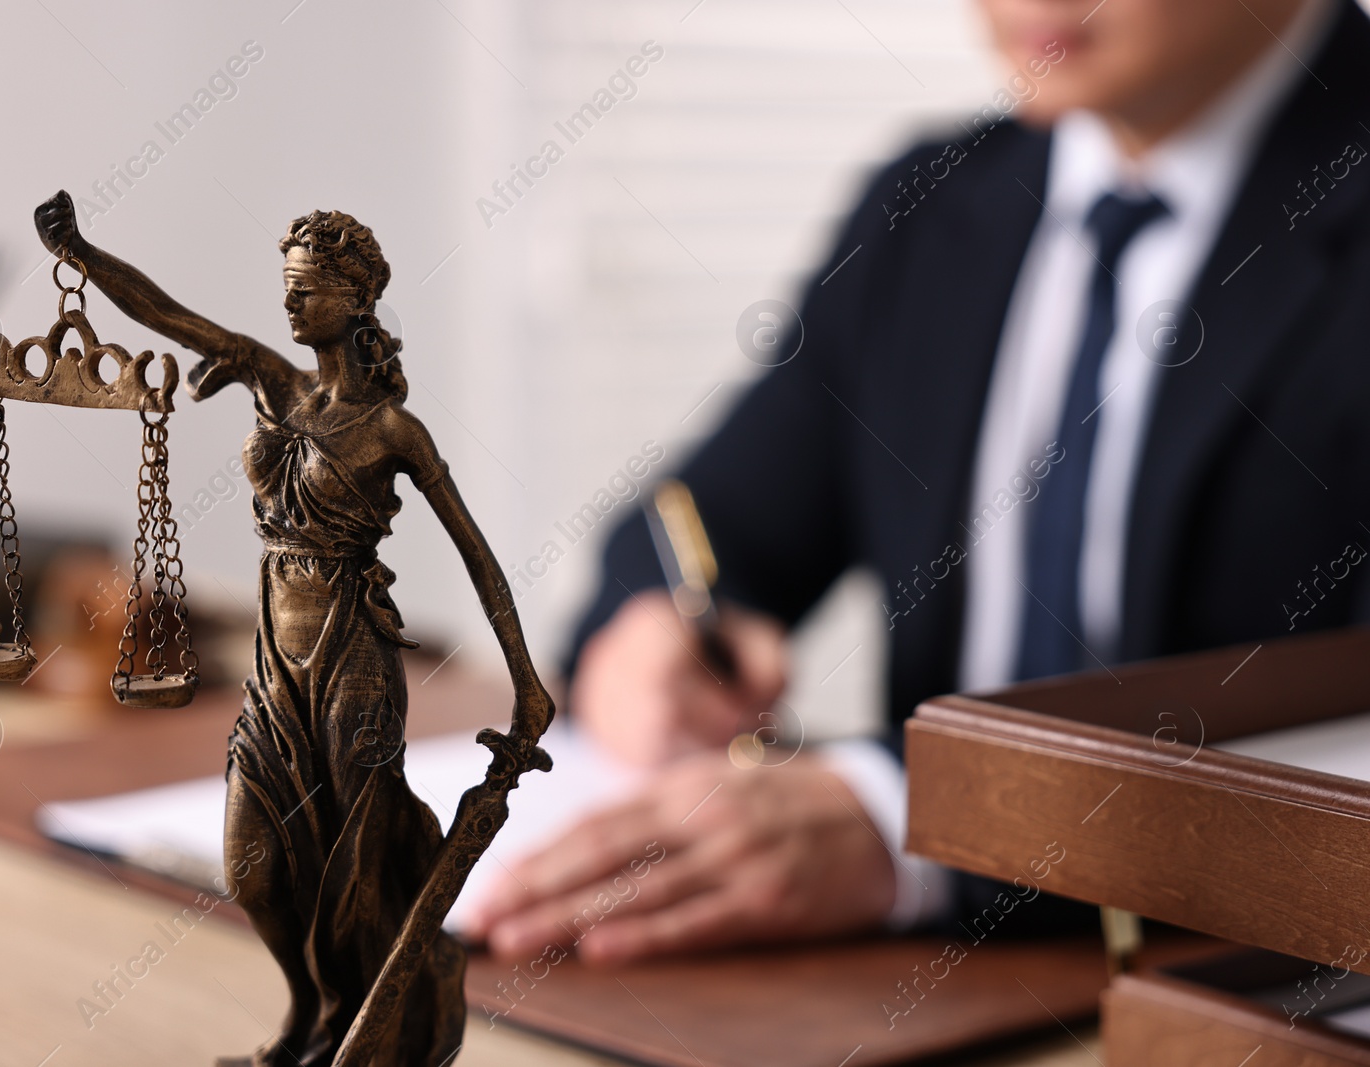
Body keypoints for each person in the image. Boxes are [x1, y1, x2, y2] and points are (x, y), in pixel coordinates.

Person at [469, 0, 1370, 965]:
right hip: (918, 978)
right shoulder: (936, 204)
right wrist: (657, 632)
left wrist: (921, 819)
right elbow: (710, 517)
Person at [33, 195, 554, 1066]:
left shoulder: (393, 430)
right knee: (254, 866)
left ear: (356, 299)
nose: (289, 303)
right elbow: (167, 314)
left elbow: (478, 555)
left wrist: (526, 683)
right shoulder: (275, 380)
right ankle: (311, 1006)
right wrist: (79, 252)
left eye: (306, 289)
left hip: (353, 655)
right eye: (286, 287)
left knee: (357, 869)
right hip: (276, 663)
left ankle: (373, 1030)